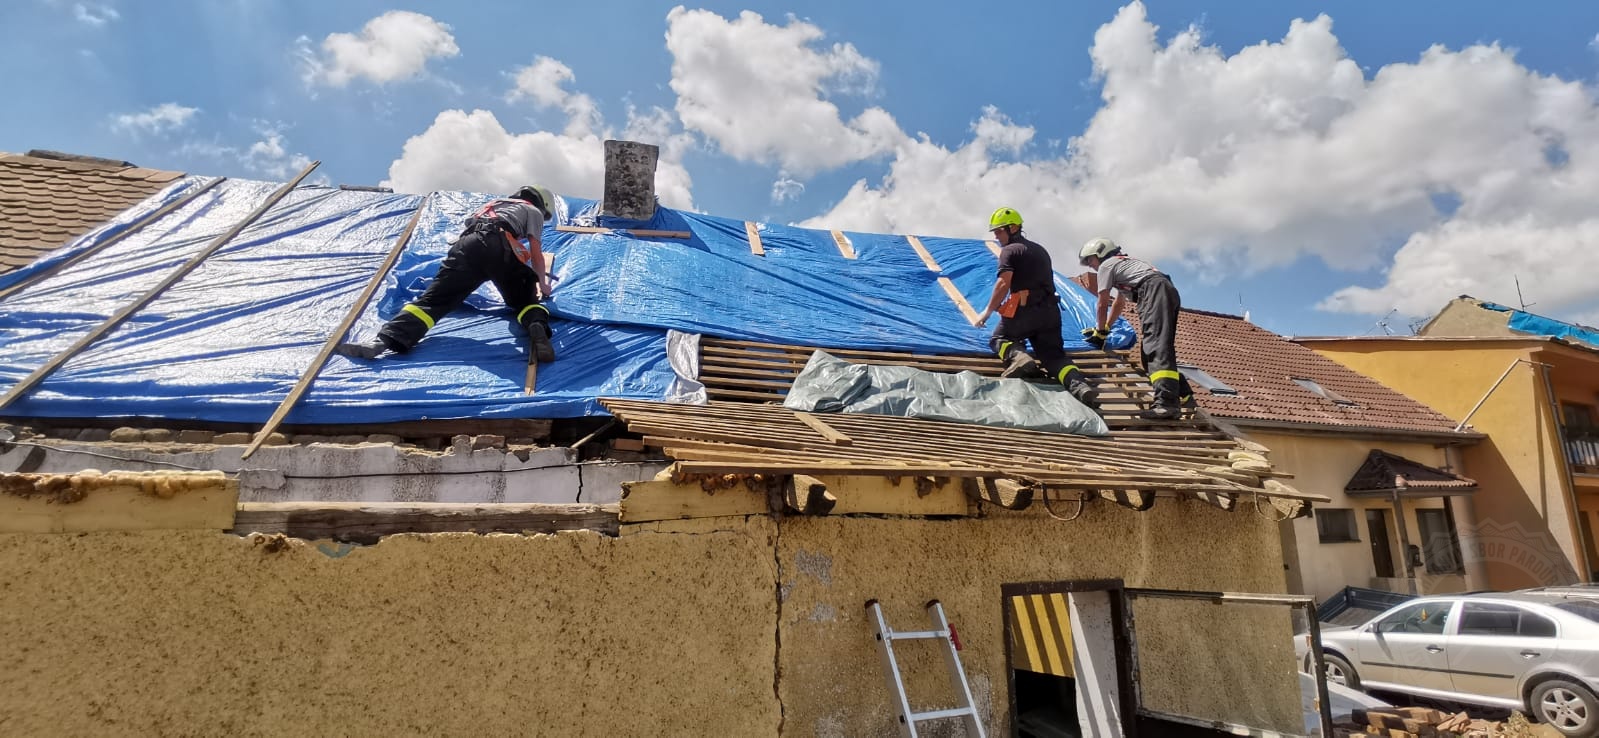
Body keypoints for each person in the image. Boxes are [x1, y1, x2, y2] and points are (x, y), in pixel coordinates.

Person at [337, 185, 559, 364]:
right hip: (497, 245)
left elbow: (475, 232)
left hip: (465, 247)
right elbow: (535, 252)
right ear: (541, 204)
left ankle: (383, 341)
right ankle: (536, 327)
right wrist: (542, 283)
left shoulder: (492, 205)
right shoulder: (532, 211)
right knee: (525, 299)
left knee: (434, 300)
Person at [972, 207, 1100, 410]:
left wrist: (987, 311)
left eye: (999, 231)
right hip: (1050, 312)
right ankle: (1080, 387)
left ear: (1013, 228)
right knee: (1054, 357)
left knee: (999, 339)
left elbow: (1004, 282)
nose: (996, 236)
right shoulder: (1041, 251)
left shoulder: (1010, 251)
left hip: (1025, 310)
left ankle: (1020, 358)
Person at [1078, 237, 1194, 420]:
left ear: (1101, 253)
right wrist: (1106, 327)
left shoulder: (1107, 265)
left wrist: (1099, 332)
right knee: (1149, 354)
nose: (1090, 266)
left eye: (1090, 260)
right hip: (1162, 289)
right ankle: (1184, 394)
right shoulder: (1125, 265)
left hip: (1153, 291)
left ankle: (1166, 404)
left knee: (1156, 347)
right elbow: (1119, 303)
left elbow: (1102, 303)